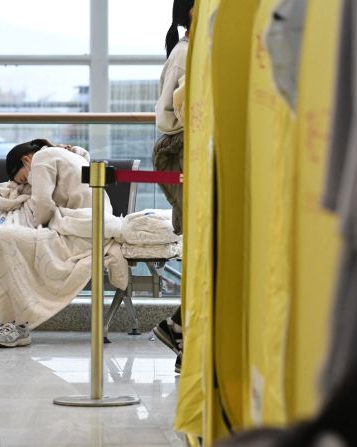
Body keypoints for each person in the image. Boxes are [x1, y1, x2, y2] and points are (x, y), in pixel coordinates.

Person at [0, 138, 116, 348]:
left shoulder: (42, 159)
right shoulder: (64, 155)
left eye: (22, 178)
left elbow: (43, 204)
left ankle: (18, 325)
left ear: (26, 160)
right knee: (10, 242)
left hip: (80, 230)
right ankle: (7, 323)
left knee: (8, 239)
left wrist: (36, 225)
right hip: (89, 226)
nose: (25, 184)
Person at [151, 0, 194, 374]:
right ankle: (180, 331)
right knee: (201, 249)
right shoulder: (185, 53)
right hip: (180, 150)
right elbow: (178, 113)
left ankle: (180, 332)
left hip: (185, 148)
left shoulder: (190, 49)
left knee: (203, 248)